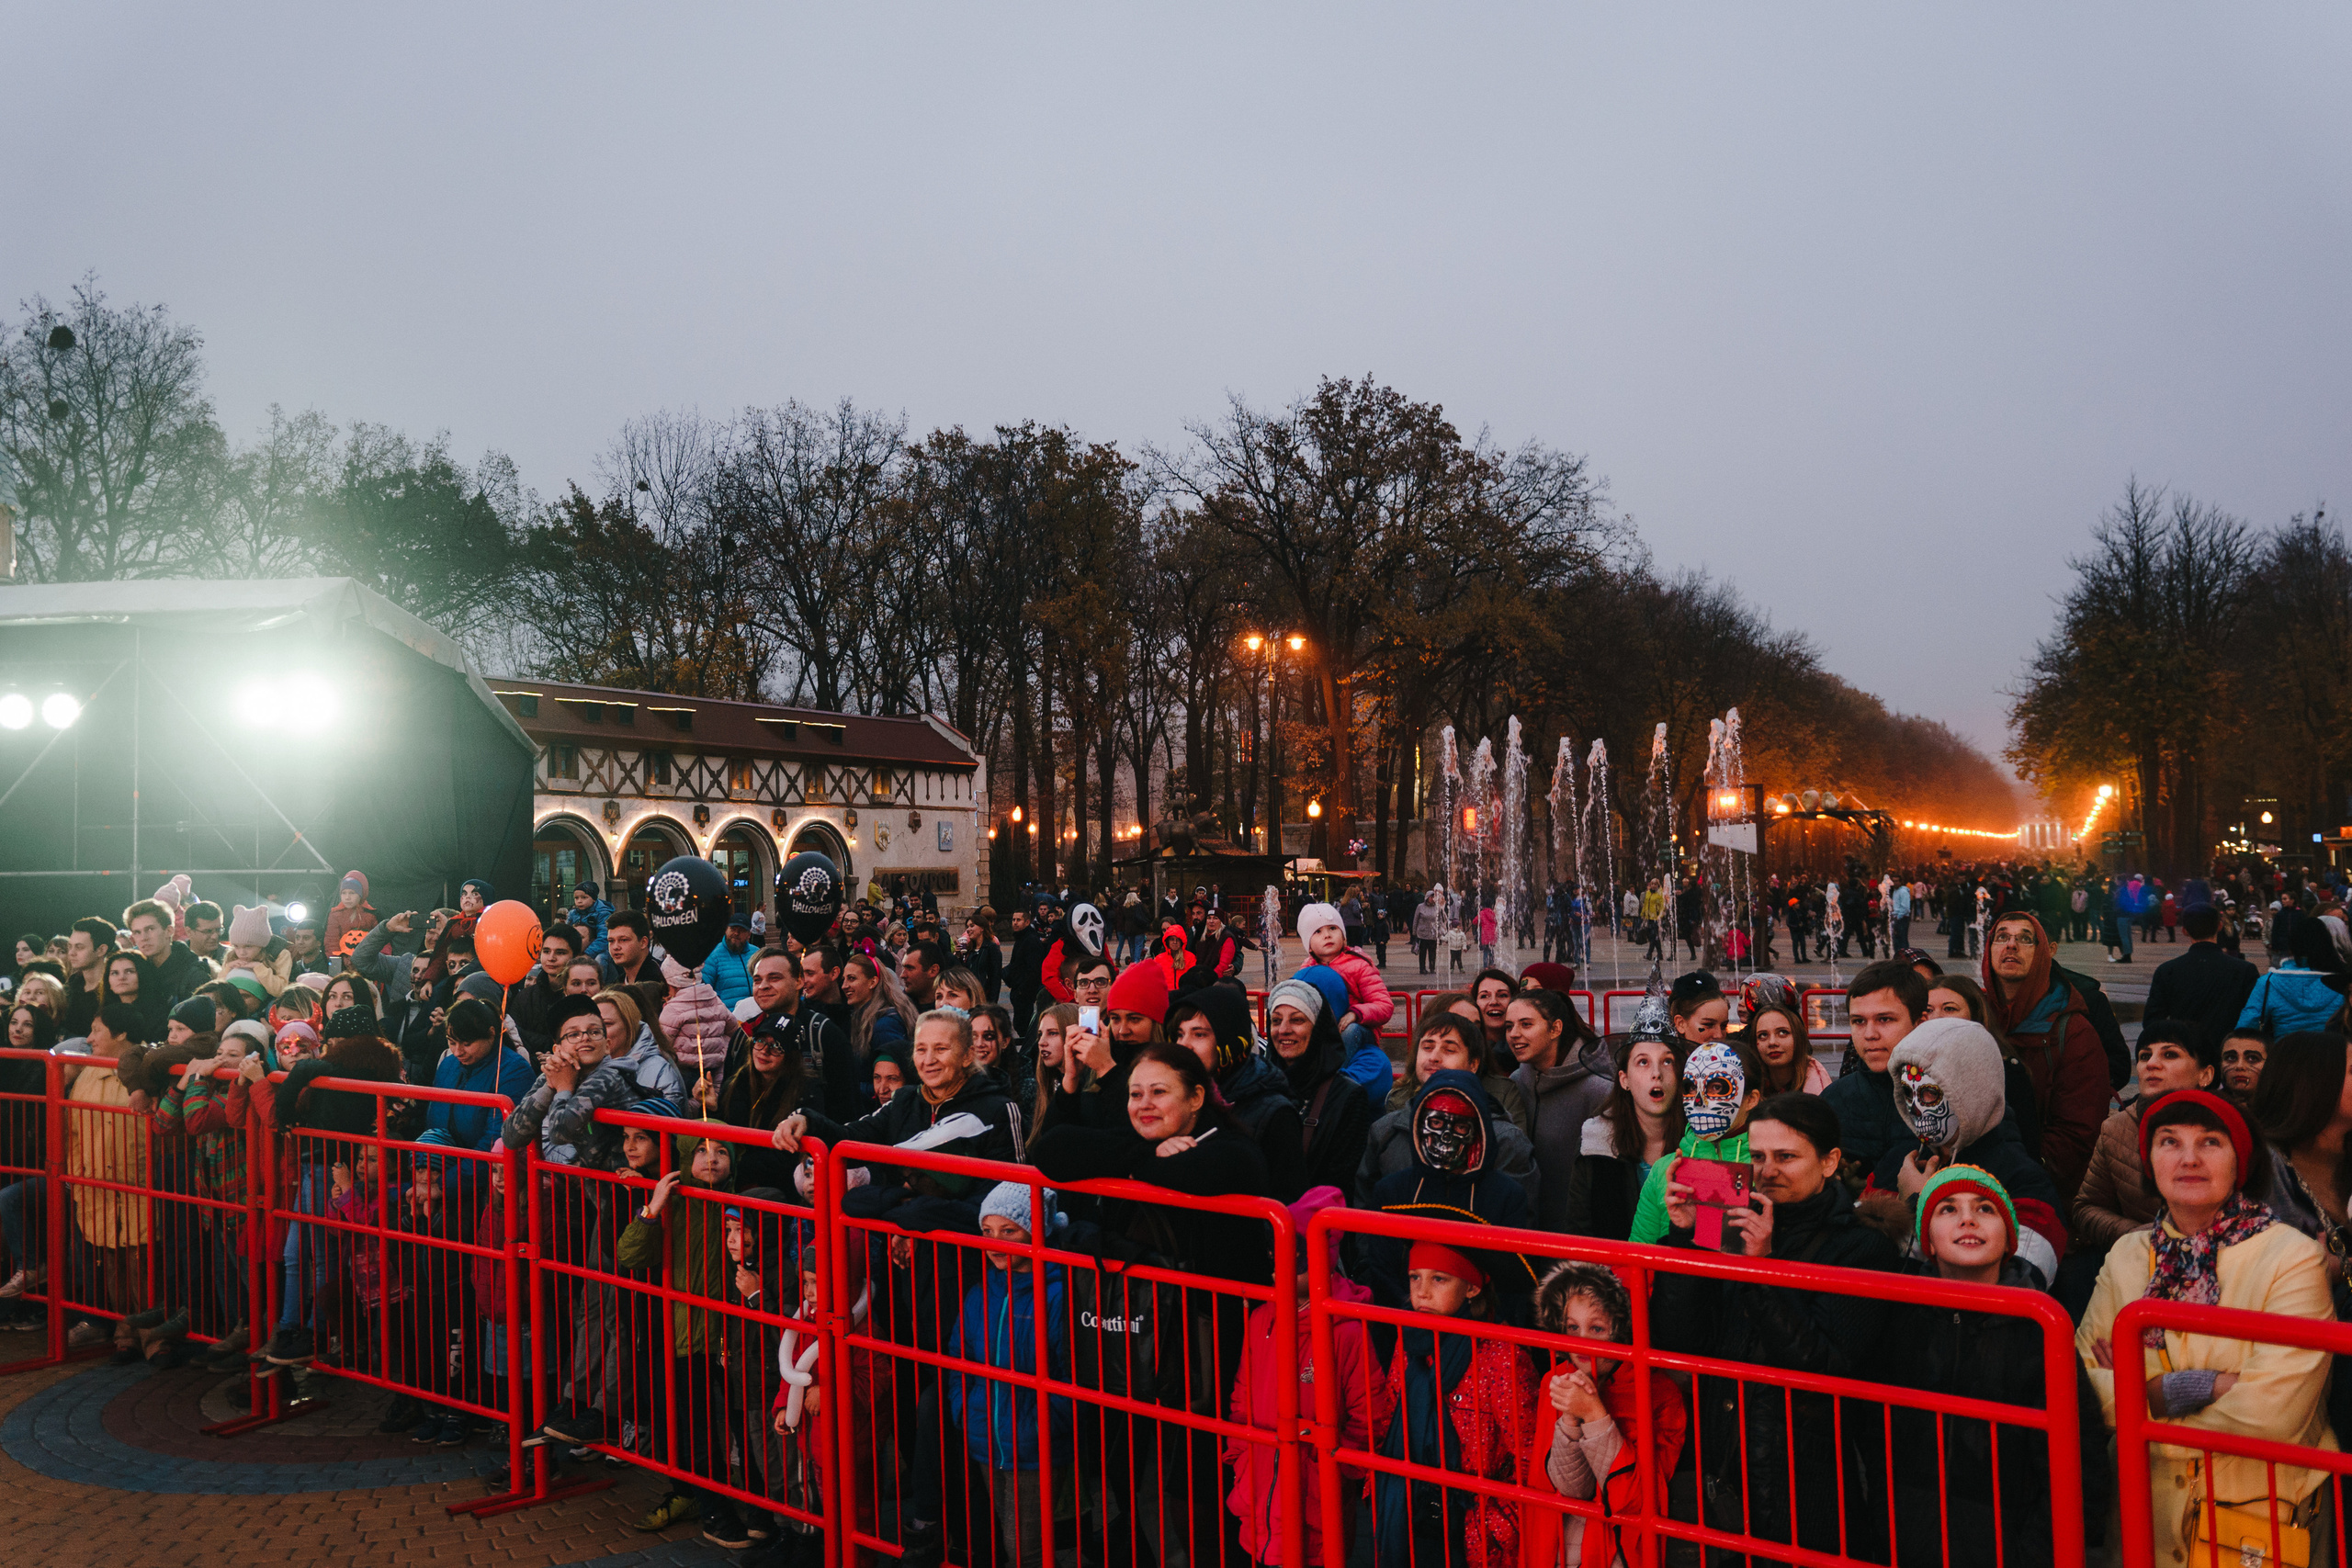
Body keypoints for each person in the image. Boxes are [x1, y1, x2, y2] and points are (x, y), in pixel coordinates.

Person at [2079, 1089, 2336, 1568]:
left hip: (2259, 1517)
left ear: (2242, 1163)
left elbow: (2270, 1415)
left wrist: (2142, 1398)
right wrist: (2200, 1388)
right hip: (2144, 1518)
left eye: (2210, 1142)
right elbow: (2084, 1390)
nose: (2189, 1159)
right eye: (2169, 1141)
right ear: (2149, 1160)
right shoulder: (2126, 1256)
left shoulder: (2293, 1258)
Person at [1651, 1094, 1903, 1563]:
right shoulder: (1732, 1224)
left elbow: (1822, 1365)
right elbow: (1681, 1337)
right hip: (1727, 1466)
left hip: (1809, 1482)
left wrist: (1760, 1271)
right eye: (1758, 1156)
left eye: (1786, 1157)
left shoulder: (1864, 1248)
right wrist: (1686, 1236)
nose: (1767, 1171)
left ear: (1829, 1162)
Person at [1878, 1166, 2107, 1568]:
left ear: (2008, 1242)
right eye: (1948, 1209)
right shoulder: (1899, 1320)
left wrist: (2034, 1554)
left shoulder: (2042, 1330)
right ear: (1928, 1241)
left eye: (1985, 1208)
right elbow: (1873, 1439)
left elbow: (2078, 1463)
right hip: (1907, 1546)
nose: (1968, 1218)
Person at [1225, 1186, 1374, 1568]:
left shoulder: (1347, 1330)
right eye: (1274, 1254)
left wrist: (1334, 1474)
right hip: (1259, 1493)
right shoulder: (1262, 1319)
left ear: (1321, 1258)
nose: (1278, 1266)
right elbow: (1242, 1395)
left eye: (1293, 1258)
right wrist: (1242, 1458)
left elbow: (1369, 1414)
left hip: (1317, 1507)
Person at [1367, 1236, 1537, 1568]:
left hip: (1472, 1533)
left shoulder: (1502, 1357)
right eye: (1414, 1277)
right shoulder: (1409, 1341)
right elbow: (1389, 1419)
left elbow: (1530, 1456)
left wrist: (1497, 1526)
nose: (1422, 1292)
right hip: (1408, 1516)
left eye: (1439, 1279)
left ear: (1471, 1288)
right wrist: (1377, 1491)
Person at [1521, 1261, 1689, 1568]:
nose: (1581, 1341)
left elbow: (1636, 1501)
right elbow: (1570, 1489)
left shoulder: (1659, 1395)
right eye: (1573, 1327)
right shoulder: (1556, 1380)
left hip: (1616, 1555)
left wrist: (1595, 1415)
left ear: (1623, 1329)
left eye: (1596, 1328)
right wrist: (1570, 1420)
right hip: (1559, 1553)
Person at [1871, 1017, 2066, 1280]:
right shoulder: (1899, 1163)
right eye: (1908, 1094)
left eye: (1930, 1093)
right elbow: (1854, 1259)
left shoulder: (2024, 1180)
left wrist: (1917, 1203)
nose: (1916, 1108)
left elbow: (2022, 1284)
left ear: (1972, 1092)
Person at [944, 1179, 1075, 1568]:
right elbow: (960, 1356)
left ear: (1037, 1232)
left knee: (1026, 1549)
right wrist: (965, 1411)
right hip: (986, 1436)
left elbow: (1072, 1373)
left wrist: (1046, 1426)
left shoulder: (1058, 1294)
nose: (996, 1243)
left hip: (1035, 1446)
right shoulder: (982, 1291)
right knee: (1011, 1538)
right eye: (987, 1231)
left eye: (1009, 1231)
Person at [771, 1009, 1018, 1187]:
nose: (928, 1060)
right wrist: (806, 1120)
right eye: (921, 1049)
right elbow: (851, 1139)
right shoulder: (904, 1101)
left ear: (967, 1056)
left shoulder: (999, 1109)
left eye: (941, 1049)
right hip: (900, 1235)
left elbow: (1008, 1192)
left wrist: (916, 1213)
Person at [1361, 1070, 1537, 1318]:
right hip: (1404, 1326)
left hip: (1479, 1329)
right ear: (1419, 1124)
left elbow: (1510, 1284)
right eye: (1436, 1123)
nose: (1446, 1135)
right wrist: (1410, 1322)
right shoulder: (1392, 1191)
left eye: (1461, 1126)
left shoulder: (1506, 1196)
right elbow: (1381, 1272)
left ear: (1478, 1131)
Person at [1981, 912, 2109, 1203]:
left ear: (2043, 953)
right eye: (2002, 937)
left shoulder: (2073, 1031)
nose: (2011, 945)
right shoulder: (1974, 1016)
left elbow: (2077, 1132)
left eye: (2025, 939)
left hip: (2036, 1190)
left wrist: (2022, 1175)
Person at [1363, 1012, 1542, 1212]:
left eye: (1449, 1049)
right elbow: (1364, 1208)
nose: (1434, 1057)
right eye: (1427, 1047)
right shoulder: (1385, 1130)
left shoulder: (1505, 1140)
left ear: (1473, 1064)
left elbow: (1517, 1218)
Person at [2073, 1021, 2220, 1258]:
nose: (2151, 1064)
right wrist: (2138, 1236)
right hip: (2140, 1262)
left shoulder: (2230, 1130)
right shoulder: (2116, 1129)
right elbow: (2086, 1208)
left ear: (2205, 1075)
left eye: (2169, 1054)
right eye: (2144, 1056)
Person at [1170, 987, 1306, 1201]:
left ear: (1229, 1040)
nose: (1184, 1045)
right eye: (1180, 1034)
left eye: (1199, 1034)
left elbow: (1285, 1201)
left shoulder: (1275, 1112)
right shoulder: (1178, 1095)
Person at [1627, 1034, 1765, 1246]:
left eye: (1717, 1087)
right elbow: (1637, 1256)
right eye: (1691, 1087)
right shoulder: (1664, 1170)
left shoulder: (1771, 1171)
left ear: (1751, 1099)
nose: (1699, 1101)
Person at [500, 993, 649, 1171]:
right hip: (588, 1183)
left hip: (625, 1183)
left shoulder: (609, 1076)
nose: (585, 1038)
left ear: (607, 1046)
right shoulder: (556, 1074)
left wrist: (563, 1088)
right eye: (574, 1034)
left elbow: (560, 1134)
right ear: (558, 1049)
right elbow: (511, 1137)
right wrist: (550, 1086)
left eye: (594, 1032)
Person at [1505, 988, 1612, 1231]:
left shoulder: (1600, 1090)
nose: (1513, 1034)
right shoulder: (1516, 1082)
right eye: (1509, 1026)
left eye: (1526, 1024)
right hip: (1525, 1226)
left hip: (1577, 1234)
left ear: (1555, 1029)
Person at [1563, 1026, 1681, 1242]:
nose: (1656, 1073)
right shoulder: (1595, 1145)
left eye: (1667, 1061)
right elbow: (1578, 1234)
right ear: (1624, 1080)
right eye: (1643, 1062)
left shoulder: (1701, 1144)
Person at [1263, 982, 1375, 1200]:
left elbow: (1342, 1186)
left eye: (1297, 1020)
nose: (1283, 1029)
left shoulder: (1347, 1097)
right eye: (1276, 1020)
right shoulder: (1261, 1085)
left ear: (1317, 1029)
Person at [1822, 961, 1928, 1191]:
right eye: (1859, 1021)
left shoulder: (1946, 1099)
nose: (1870, 1034)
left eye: (1884, 1019)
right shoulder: (1833, 1099)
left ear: (1920, 1023)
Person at [2143, 904, 2259, 1043]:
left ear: (2185, 931)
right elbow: (2255, 1016)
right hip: (2228, 1049)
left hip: (2186, 1048)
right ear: (2220, 926)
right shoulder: (2245, 970)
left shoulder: (2167, 971)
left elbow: (2152, 1021)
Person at [1295, 902, 1395, 1061]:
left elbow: (1384, 1005)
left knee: (1350, 1031)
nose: (1327, 935)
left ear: (1343, 935)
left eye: (1332, 928)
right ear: (1309, 945)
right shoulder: (1307, 970)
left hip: (1359, 1029)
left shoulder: (1359, 964)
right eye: (1318, 931)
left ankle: (1337, 1073)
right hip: (1324, 1031)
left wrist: (1355, 1014)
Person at [2238, 917, 2346, 1036]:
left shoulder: (2269, 982)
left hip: (2284, 1046)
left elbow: (2248, 1024)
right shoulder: (2342, 982)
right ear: (2328, 944)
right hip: (2332, 1047)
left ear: (2292, 945)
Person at [121, 897, 212, 1008]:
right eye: (137, 932)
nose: (143, 938)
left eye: (150, 929)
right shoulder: (134, 973)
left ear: (169, 931)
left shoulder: (194, 977)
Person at [1747, 1000, 1829, 1095]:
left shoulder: (1820, 1088)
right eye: (1763, 1035)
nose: (1772, 1042)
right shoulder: (1746, 1086)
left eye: (1783, 1033)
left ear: (1798, 1037)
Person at [701, 915, 757, 1010]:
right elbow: (704, 991)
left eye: (741, 930)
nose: (736, 933)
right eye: (733, 929)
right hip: (725, 1015)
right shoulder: (713, 955)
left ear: (749, 934)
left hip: (756, 1015)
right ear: (726, 930)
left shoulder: (756, 954)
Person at [323, 870, 378, 955]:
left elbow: (379, 939)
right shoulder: (336, 915)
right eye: (344, 893)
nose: (347, 897)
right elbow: (331, 942)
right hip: (343, 959)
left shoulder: (371, 914)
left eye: (352, 893)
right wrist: (337, 960)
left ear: (361, 894)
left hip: (367, 959)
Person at [600, 910, 660, 988]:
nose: (615, 947)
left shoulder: (661, 977)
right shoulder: (616, 985)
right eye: (611, 941)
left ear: (643, 942)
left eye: (623, 940)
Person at [2221, 1026, 2268, 1099]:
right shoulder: (2207, 1104)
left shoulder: (2284, 1104)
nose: (2239, 1066)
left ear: (2270, 1064)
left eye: (2252, 1058)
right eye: (2231, 1058)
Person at [1411, 889, 1445, 976]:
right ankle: (1422, 968)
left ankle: (1432, 967)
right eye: (1431, 897)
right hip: (1422, 933)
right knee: (1422, 952)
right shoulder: (1420, 907)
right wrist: (1414, 931)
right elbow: (1416, 919)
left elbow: (1440, 920)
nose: (1433, 898)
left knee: (1432, 952)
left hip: (1433, 933)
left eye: (1434, 897)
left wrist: (1440, 931)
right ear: (1427, 897)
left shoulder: (1437, 907)